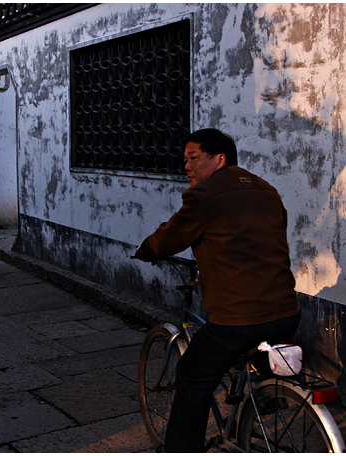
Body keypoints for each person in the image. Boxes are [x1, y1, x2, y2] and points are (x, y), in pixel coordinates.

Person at [135, 128, 300, 452]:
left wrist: (148, 250)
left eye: (194, 158)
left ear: (219, 159)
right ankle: (262, 399)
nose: (187, 166)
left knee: (192, 375)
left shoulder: (203, 197)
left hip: (239, 319)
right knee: (252, 356)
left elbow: (171, 236)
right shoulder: (267, 190)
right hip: (287, 312)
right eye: (185, 160)